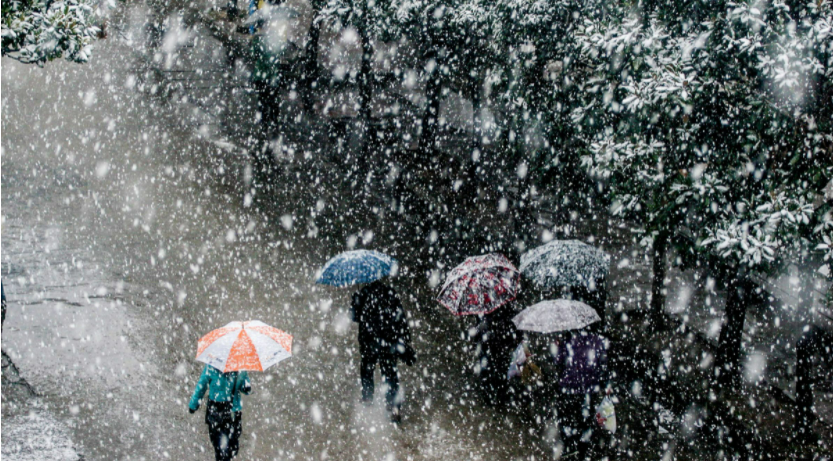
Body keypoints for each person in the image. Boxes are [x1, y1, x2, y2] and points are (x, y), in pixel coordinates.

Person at [351, 280, 416, 423]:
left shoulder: (363, 293)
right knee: (390, 374)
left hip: (369, 340)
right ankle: (394, 407)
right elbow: (401, 318)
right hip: (389, 341)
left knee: (367, 369)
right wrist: (404, 339)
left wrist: (356, 300)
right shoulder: (390, 293)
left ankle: (367, 399)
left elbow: (355, 317)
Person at [552, 329, 609, 458]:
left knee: (568, 420)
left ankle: (570, 448)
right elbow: (602, 365)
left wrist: (558, 347)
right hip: (589, 390)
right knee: (585, 422)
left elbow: (558, 362)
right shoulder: (597, 340)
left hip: (569, 388)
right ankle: (582, 449)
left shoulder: (568, 340)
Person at [189, 364, 252, 461]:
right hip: (222, 412)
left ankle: (225, 455)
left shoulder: (237, 367)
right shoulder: (215, 366)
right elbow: (201, 386)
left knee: (228, 447)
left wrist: (246, 386)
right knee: (222, 448)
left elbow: (201, 386)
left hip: (227, 413)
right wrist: (193, 405)